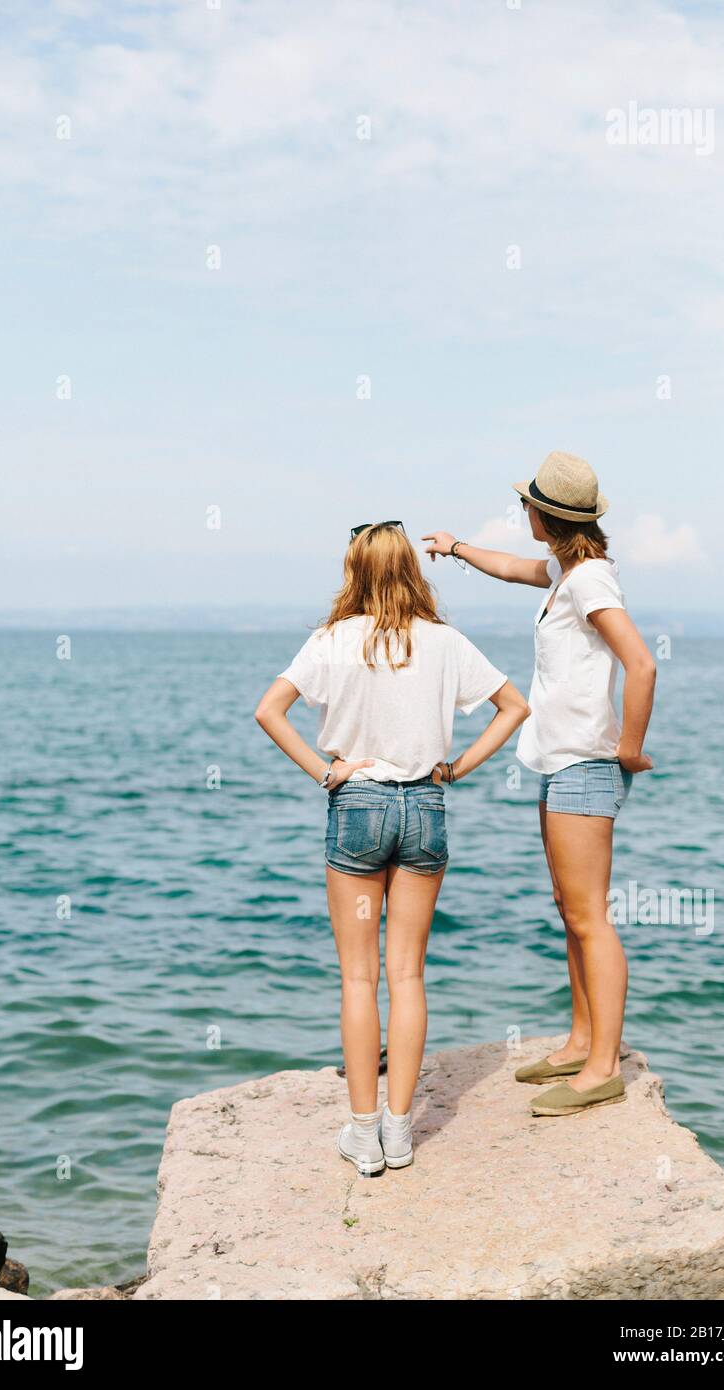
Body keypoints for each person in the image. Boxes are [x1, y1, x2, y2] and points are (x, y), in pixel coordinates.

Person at [255, 522, 530, 1172]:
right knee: (407, 974)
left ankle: (363, 1134)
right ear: (411, 568)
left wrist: (325, 771)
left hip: (358, 808)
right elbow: (514, 706)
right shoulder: (444, 641)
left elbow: (269, 710)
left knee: (359, 977)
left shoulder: (332, 640)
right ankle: (402, 1132)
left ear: (354, 569)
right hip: (425, 810)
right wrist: (457, 768)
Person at [424, 451, 656, 1116]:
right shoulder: (566, 572)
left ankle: (603, 1067)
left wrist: (629, 750)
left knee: (591, 918)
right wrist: (459, 549)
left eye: (527, 503)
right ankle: (582, 1041)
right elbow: (518, 569)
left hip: (586, 762)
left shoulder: (590, 584)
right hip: (561, 763)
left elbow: (641, 665)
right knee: (570, 910)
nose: (521, 510)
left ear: (545, 514)